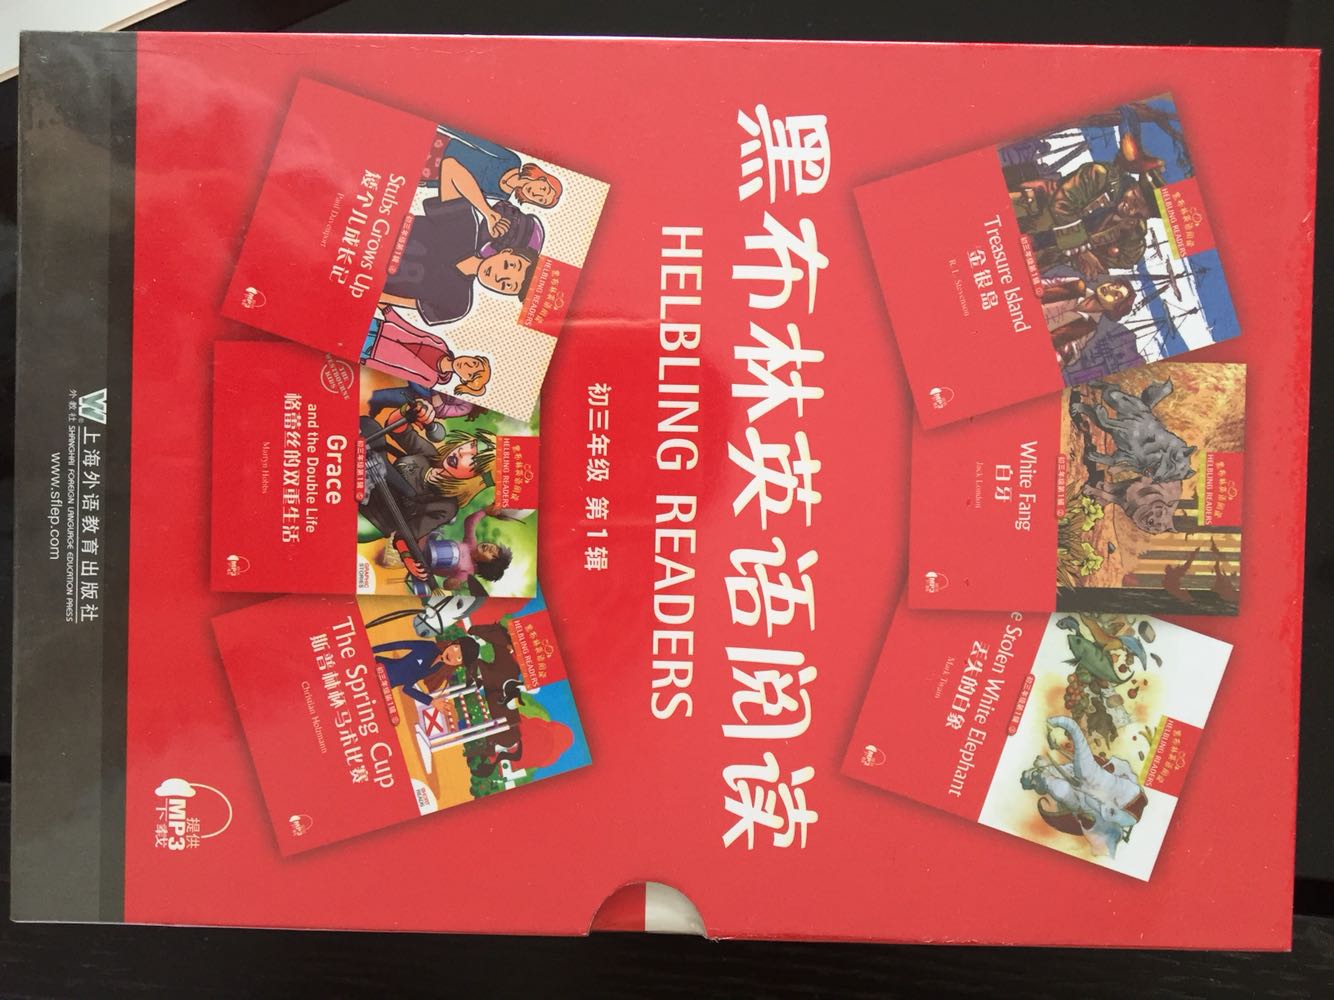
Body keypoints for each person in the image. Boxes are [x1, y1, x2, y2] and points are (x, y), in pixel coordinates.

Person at [378, 198, 544, 326]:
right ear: (506, 252)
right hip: (377, 222)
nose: (499, 276)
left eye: (507, 285)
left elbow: (390, 298)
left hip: (367, 274)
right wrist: (487, 212)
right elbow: (450, 169)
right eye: (509, 265)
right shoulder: (466, 225)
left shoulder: (457, 306)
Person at [358, 408, 498, 557]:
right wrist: (412, 410)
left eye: (474, 460)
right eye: (471, 446)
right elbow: (399, 429)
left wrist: (408, 556)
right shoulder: (429, 455)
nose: (462, 452)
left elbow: (408, 535)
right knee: (369, 426)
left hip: (370, 520)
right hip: (365, 480)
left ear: (477, 479)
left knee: (403, 488)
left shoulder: (447, 507)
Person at [1010, 161, 1158, 277]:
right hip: (1024, 215)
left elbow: (1126, 258)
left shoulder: (1132, 229)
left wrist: (1088, 260)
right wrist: (1083, 252)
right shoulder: (1099, 175)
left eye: (1140, 214)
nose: (1132, 211)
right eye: (1135, 201)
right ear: (1134, 187)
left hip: (1039, 252)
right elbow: (1062, 205)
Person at [361, 305, 492, 393]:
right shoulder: (441, 344)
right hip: (379, 326)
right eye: (474, 363)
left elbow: (397, 371)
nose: (467, 366)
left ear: (464, 379)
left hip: (372, 351)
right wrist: (388, 311)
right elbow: (412, 330)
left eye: (470, 374)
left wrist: (367, 362)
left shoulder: (430, 380)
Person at [429, 127, 564, 209]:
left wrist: (431, 184)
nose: (537, 194)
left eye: (540, 200)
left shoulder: (502, 197)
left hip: (435, 174)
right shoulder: (513, 161)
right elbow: (477, 141)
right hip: (443, 146)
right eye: (543, 189)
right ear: (541, 179)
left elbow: (468, 192)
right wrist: (443, 126)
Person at [1036, 275, 1138, 365]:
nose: (1110, 288)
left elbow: (1063, 355)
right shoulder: (1076, 285)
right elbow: (1041, 285)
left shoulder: (1088, 327)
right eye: (1115, 285)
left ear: (1114, 309)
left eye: (1116, 295)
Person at [410, 507, 513, 587]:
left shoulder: (468, 571)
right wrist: (484, 512)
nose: (491, 548)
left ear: (486, 566)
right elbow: (470, 522)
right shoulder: (471, 544)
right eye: (495, 548)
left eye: (493, 555)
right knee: (441, 520)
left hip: (425, 563)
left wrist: (453, 582)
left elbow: (452, 582)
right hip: (427, 544)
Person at [373, 635, 481, 711]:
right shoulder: (429, 647)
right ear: (452, 643)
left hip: (384, 685)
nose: (452, 655)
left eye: (459, 658)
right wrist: (371, 650)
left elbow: (407, 688)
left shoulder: (437, 668)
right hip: (378, 668)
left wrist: (432, 702)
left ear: (459, 664)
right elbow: (399, 645)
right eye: (456, 648)